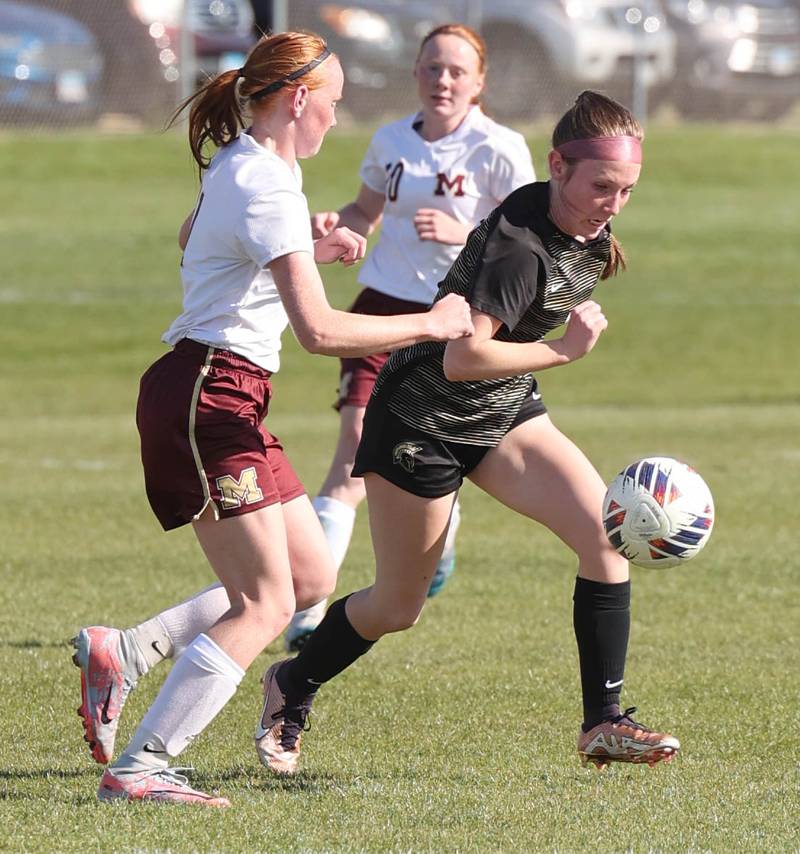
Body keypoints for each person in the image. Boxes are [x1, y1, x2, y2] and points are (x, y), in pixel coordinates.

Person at [72, 30, 472, 807]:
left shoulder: (249, 164)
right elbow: (323, 333)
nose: (335, 117)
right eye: (333, 103)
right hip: (209, 395)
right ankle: (143, 766)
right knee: (265, 603)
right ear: (298, 100)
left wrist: (297, 244)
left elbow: (196, 239)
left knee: (311, 576)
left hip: (229, 396)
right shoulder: (264, 181)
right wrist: (432, 323)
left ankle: (129, 649)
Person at [253, 90, 682, 777]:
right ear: (557, 167)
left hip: (502, 411)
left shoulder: (589, 230)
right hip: (421, 420)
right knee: (398, 606)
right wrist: (564, 352)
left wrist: (543, 358)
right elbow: (463, 356)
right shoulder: (521, 248)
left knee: (605, 536)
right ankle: (292, 684)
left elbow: (493, 362)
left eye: (627, 190)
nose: (613, 203)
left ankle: (603, 721)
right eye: (602, 186)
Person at [285, 23, 536, 651]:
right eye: (430, 68)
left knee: (434, 451)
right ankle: (306, 609)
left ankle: (439, 536)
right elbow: (364, 212)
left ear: (479, 82)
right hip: (379, 313)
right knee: (352, 450)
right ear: (416, 74)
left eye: (455, 71)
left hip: (454, 321)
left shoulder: (500, 148)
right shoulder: (392, 140)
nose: (441, 80)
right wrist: (330, 223)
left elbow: (530, 241)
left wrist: (463, 231)